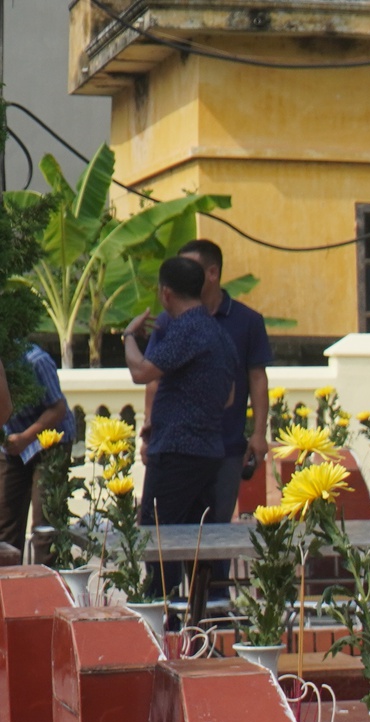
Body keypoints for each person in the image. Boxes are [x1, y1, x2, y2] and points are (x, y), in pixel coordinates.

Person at [124, 254, 239, 606]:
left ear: (165, 294)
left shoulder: (188, 328)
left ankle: (161, 621)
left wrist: (129, 335)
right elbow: (229, 397)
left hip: (176, 450)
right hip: (207, 452)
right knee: (194, 546)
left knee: (158, 545)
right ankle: (197, 625)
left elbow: (141, 372)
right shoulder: (218, 332)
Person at [174, 239, 272, 522]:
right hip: (181, 447)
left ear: (213, 273)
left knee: (216, 532)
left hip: (227, 448)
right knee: (173, 534)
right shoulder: (174, 319)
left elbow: (257, 378)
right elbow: (157, 380)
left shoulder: (247, 321)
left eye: (190, 269)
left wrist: (258, 433)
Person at [2, 341, 69, 554]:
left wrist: (25, 438)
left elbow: (59, 409)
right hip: (12, 445)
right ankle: (8, 583)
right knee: (5, 522)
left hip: (48, 442)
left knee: (44, 526)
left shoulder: (35, 361)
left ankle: (43, 583)